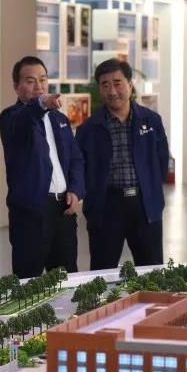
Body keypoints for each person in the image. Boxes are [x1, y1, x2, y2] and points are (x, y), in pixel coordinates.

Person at [77, 58, 169, 270]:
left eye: (117, 83)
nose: (112, 91)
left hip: (144, 204)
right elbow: (82, 168)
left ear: (130, 83)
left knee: (151, 269)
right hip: (106, 205)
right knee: (102, 270)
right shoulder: (88, 129)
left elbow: (162, 159)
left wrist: (151, 188)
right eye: (105, 85)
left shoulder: (151, 120)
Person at [0, 56, 84, 277]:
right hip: (32, 212)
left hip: (63, 209)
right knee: (29, 279)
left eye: (43, 79)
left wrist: (76, 190)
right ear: (16, 87)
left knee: (67, 277)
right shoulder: (11, 117)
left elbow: (75, 159)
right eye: (30, 81)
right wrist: (40, 104)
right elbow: (24, 120)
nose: (39, 86)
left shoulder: (59, 119)